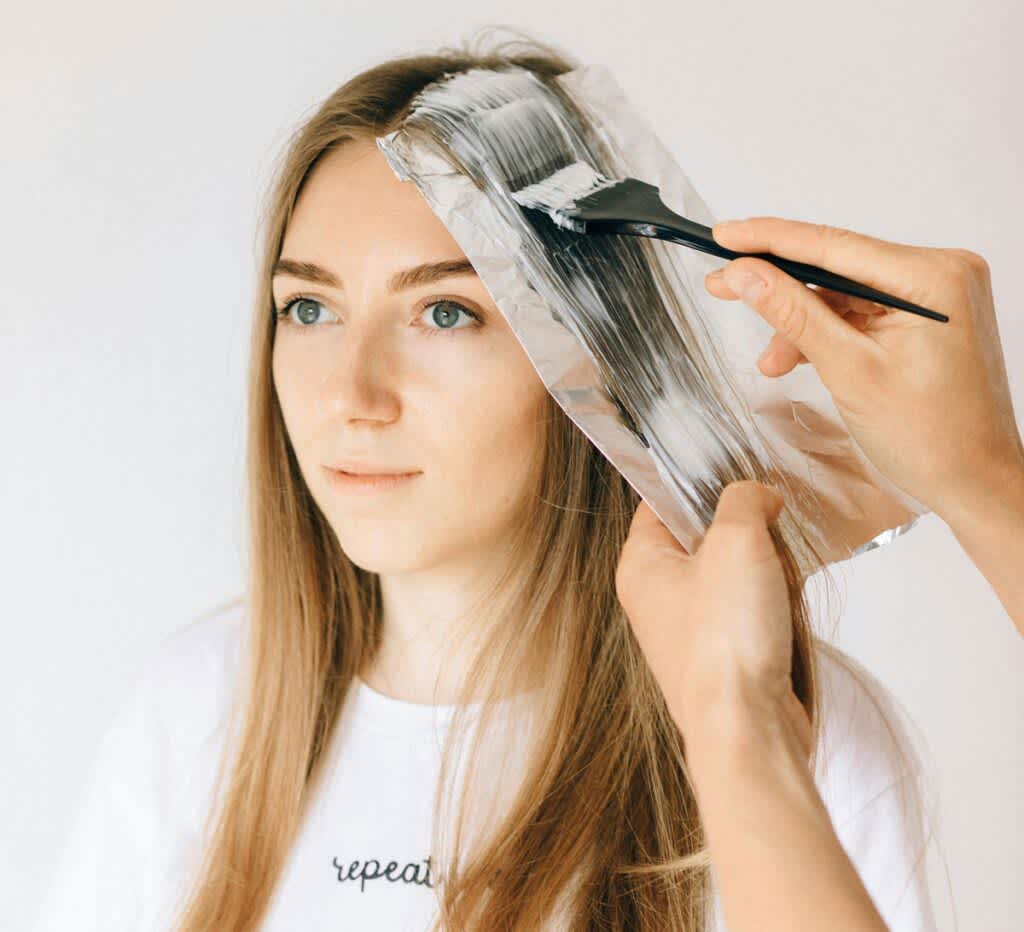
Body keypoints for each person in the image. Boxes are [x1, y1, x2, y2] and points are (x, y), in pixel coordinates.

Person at [33, 34, 1012, 931]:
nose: (352, 396)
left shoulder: (800, 727)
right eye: (308, 307)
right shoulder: (196, 710)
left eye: (447, 312)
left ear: (592, 357)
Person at [617, 217, 1024, 932]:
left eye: (447, 314)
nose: (349, 399)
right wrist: (990, 485)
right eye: (339, 310)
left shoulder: (835, 737)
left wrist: (736, 715)